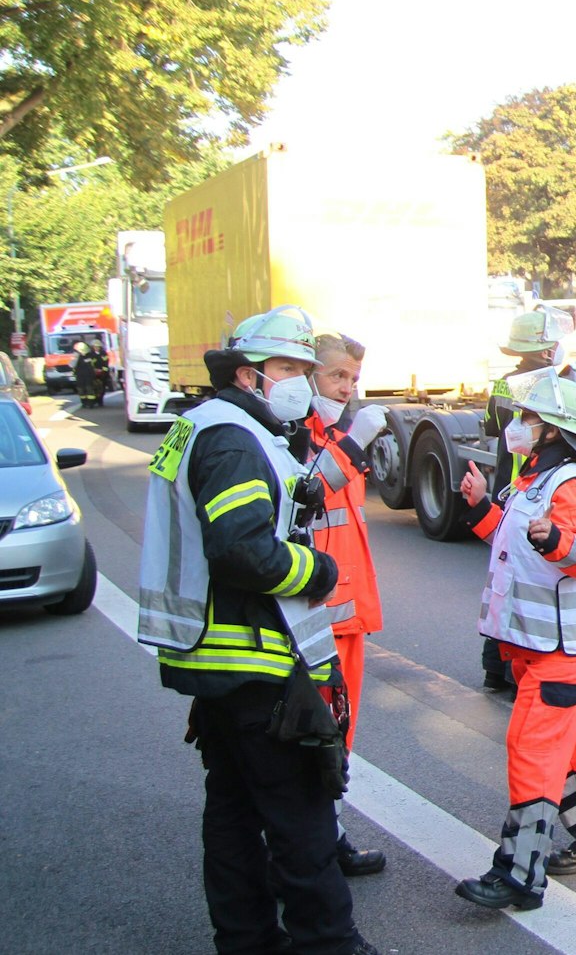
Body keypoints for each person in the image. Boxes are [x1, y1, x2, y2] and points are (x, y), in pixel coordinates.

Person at [137, 305, 377, 955]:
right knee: (301, 819)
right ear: (248, 375)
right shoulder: (232, 438)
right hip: (257, 663)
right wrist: (319, 570)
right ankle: (327, 943)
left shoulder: (207, 427)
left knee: (235, 816)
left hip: (221, 661)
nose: (299, 380)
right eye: (288, 368)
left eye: (305, 368)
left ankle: (246, 941)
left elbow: (272, 511)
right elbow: (242, 550)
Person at [453, 375, 576, 911]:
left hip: (565, 646)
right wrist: (483, 507)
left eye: (530, 418)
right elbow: (514, 549)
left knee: (532, 748)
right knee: (573, 741)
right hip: (545, 644)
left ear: (554, 432)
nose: (519, 425)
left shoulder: (571, 485)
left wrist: (559, 541)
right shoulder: (537, 482)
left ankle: (519, 874)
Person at [305, 332, 392, 877]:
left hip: (345, 615)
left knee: (340, 733)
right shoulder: (296, 434)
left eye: (353, 380)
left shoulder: (336, 432)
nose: (347, 388)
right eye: (338, 377)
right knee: (312, 736)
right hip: (313, 617)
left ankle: (327, 830)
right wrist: (352, 444)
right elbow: (305, 494)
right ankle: (311, 845)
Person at [479, 307, 574, 694]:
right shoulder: (548, 388)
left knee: (503, 580)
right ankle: (521, 669)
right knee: (531, 584)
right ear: (545, 351)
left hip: (507, 491)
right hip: (538, 488)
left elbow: (490, 427)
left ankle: (493, 669)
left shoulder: (502, 385)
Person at [72, 338, 106, 407]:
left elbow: (95, 364)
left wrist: (100, 371)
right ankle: (85, 403)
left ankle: (91, 403)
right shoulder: (77, 357)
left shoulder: (90, 355)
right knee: (82, 389)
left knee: (89, 389)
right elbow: (72, 365)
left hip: (89, 376)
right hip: (81, 376)